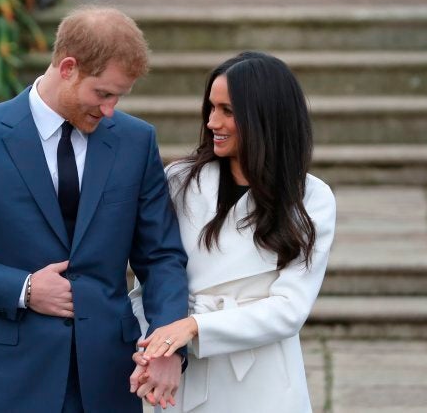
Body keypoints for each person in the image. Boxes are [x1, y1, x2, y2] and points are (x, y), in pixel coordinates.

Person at [0, 6, 188, 413]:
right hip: (11, 374)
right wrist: (22, 289)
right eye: (103, 93)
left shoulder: (136, 141)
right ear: (68, 67)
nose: (110, 109)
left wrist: (167, 343)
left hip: (109, 374)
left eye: (119, 97)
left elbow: (161, 255)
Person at [129, 51, 336, 412]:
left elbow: (289, 309)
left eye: (227, 110)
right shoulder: (180, 181)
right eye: (210, 108)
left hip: (262, 381)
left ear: (264, 117)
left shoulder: (311, 198)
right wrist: (161, 348)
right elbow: (150, 281)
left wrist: (194, 327)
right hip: (179, 375)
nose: (212, 122)